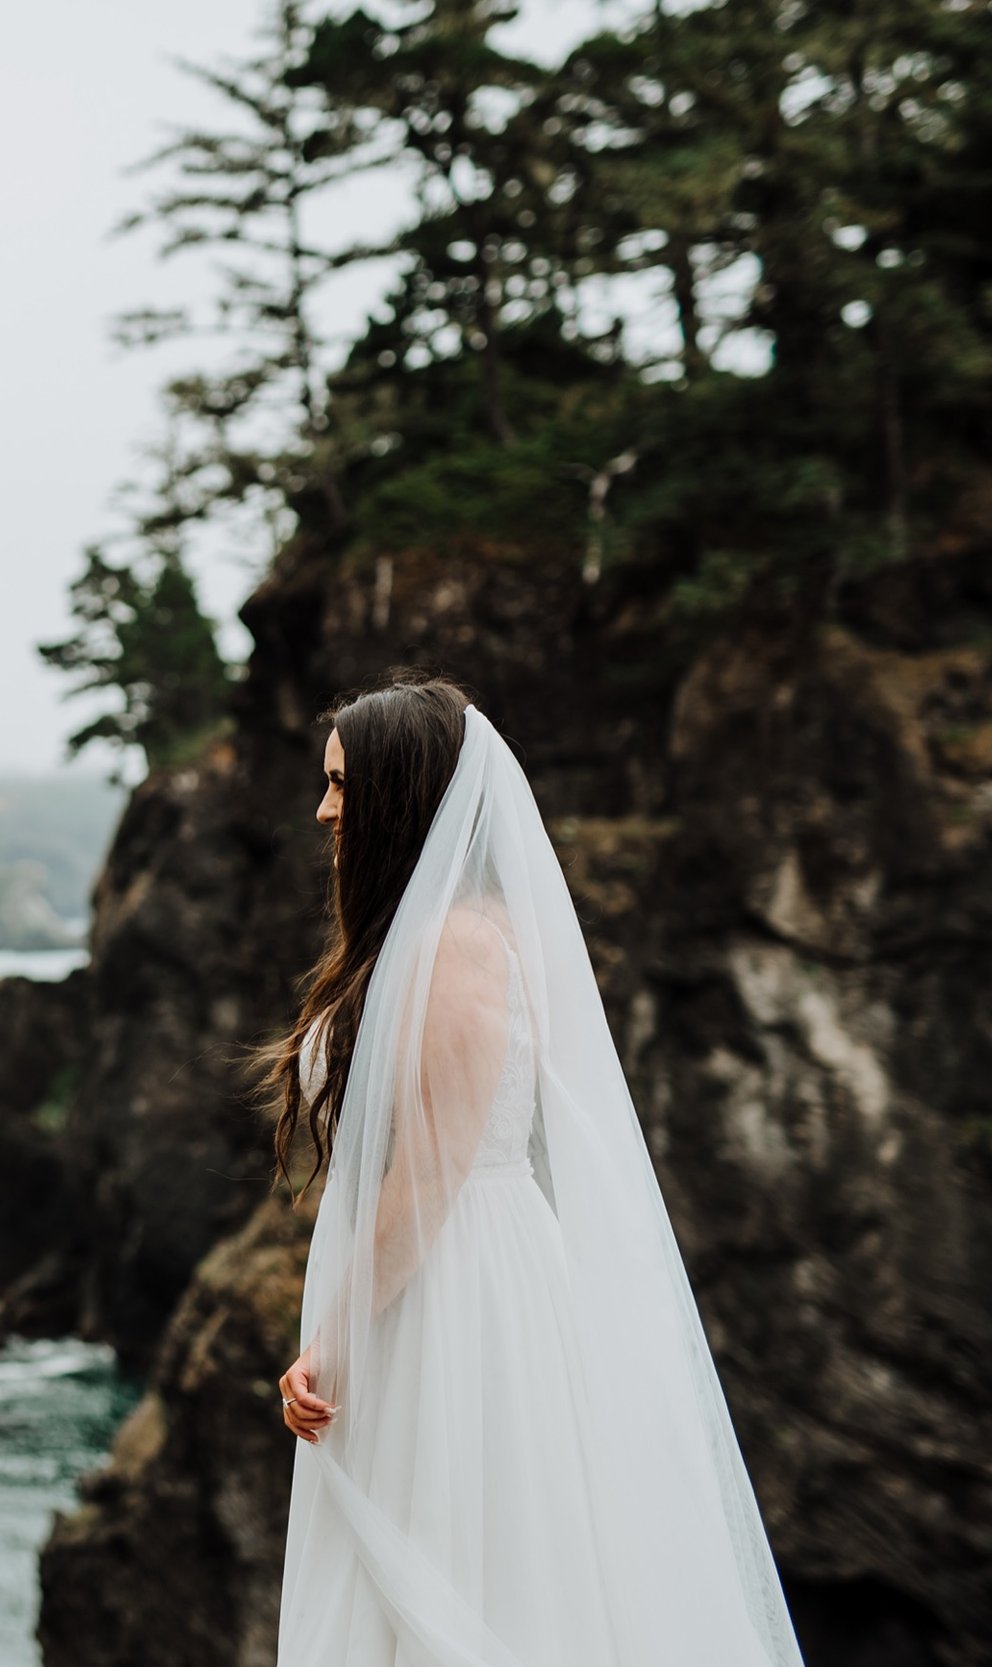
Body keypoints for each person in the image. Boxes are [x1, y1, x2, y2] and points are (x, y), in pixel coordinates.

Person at [265, 673, 802, 1667]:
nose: (322, 808)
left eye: (341, 784)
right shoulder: (440, 936)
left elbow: (428, 1177)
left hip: (454, 1292)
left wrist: (332, 1342)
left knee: (460, 1563)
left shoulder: (455, 948)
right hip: (446, 1271)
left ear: (399, 794)